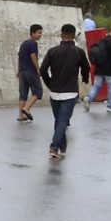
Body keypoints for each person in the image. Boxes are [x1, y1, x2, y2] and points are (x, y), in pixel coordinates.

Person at [38, 23, 90, 161]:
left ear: (62, 34)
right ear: (73, 36)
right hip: (70, 93)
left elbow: (42, 70)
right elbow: (86, 68)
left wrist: (50, 84)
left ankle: (63, 147)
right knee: (62, 121)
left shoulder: (52, 51)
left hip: (54, 92)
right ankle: (54, 147)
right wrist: (84, 79)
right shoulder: (79, 52)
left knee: (59, 120)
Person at [16, 22, 44, 122]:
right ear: (32, 33)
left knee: (23, 94)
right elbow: (33, 56)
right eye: (38, 33)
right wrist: (38, 69)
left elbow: (19, 57)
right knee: (38, 91)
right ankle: (26, 108)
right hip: (31, 71)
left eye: (41, 33)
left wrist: (18, 70)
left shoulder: (23, 43)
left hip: (22, 72)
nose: (40, 35)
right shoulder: (33, 43)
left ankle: (21, 115)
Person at [89, 26, 111, 109]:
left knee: (96, 86)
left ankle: (88, 99)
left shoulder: (101, 41)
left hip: (99, 69)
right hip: (110, 70)